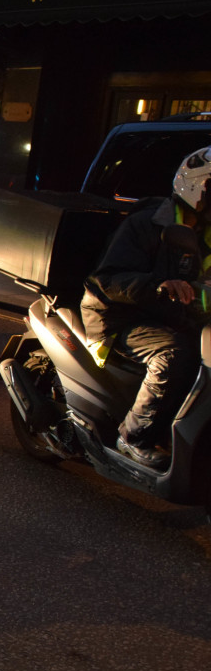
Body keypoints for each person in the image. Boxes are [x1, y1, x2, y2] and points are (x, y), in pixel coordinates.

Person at [80, 146, 211, 469]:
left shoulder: (207, 234)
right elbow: (106, 279)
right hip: (120, 317)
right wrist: (158, 285)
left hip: (174, 316)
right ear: (196, 187)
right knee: (175, 352)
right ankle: (134, 437)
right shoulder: (145, 225)